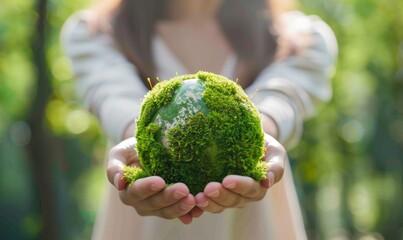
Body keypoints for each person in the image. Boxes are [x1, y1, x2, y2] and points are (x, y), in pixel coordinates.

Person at [61, 0, 337, 239]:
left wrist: (259, 131)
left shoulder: (296, 38)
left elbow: (283, 94)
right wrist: (141, 136)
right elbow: (113, 95)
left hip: (253, 228)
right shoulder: (99, 32)